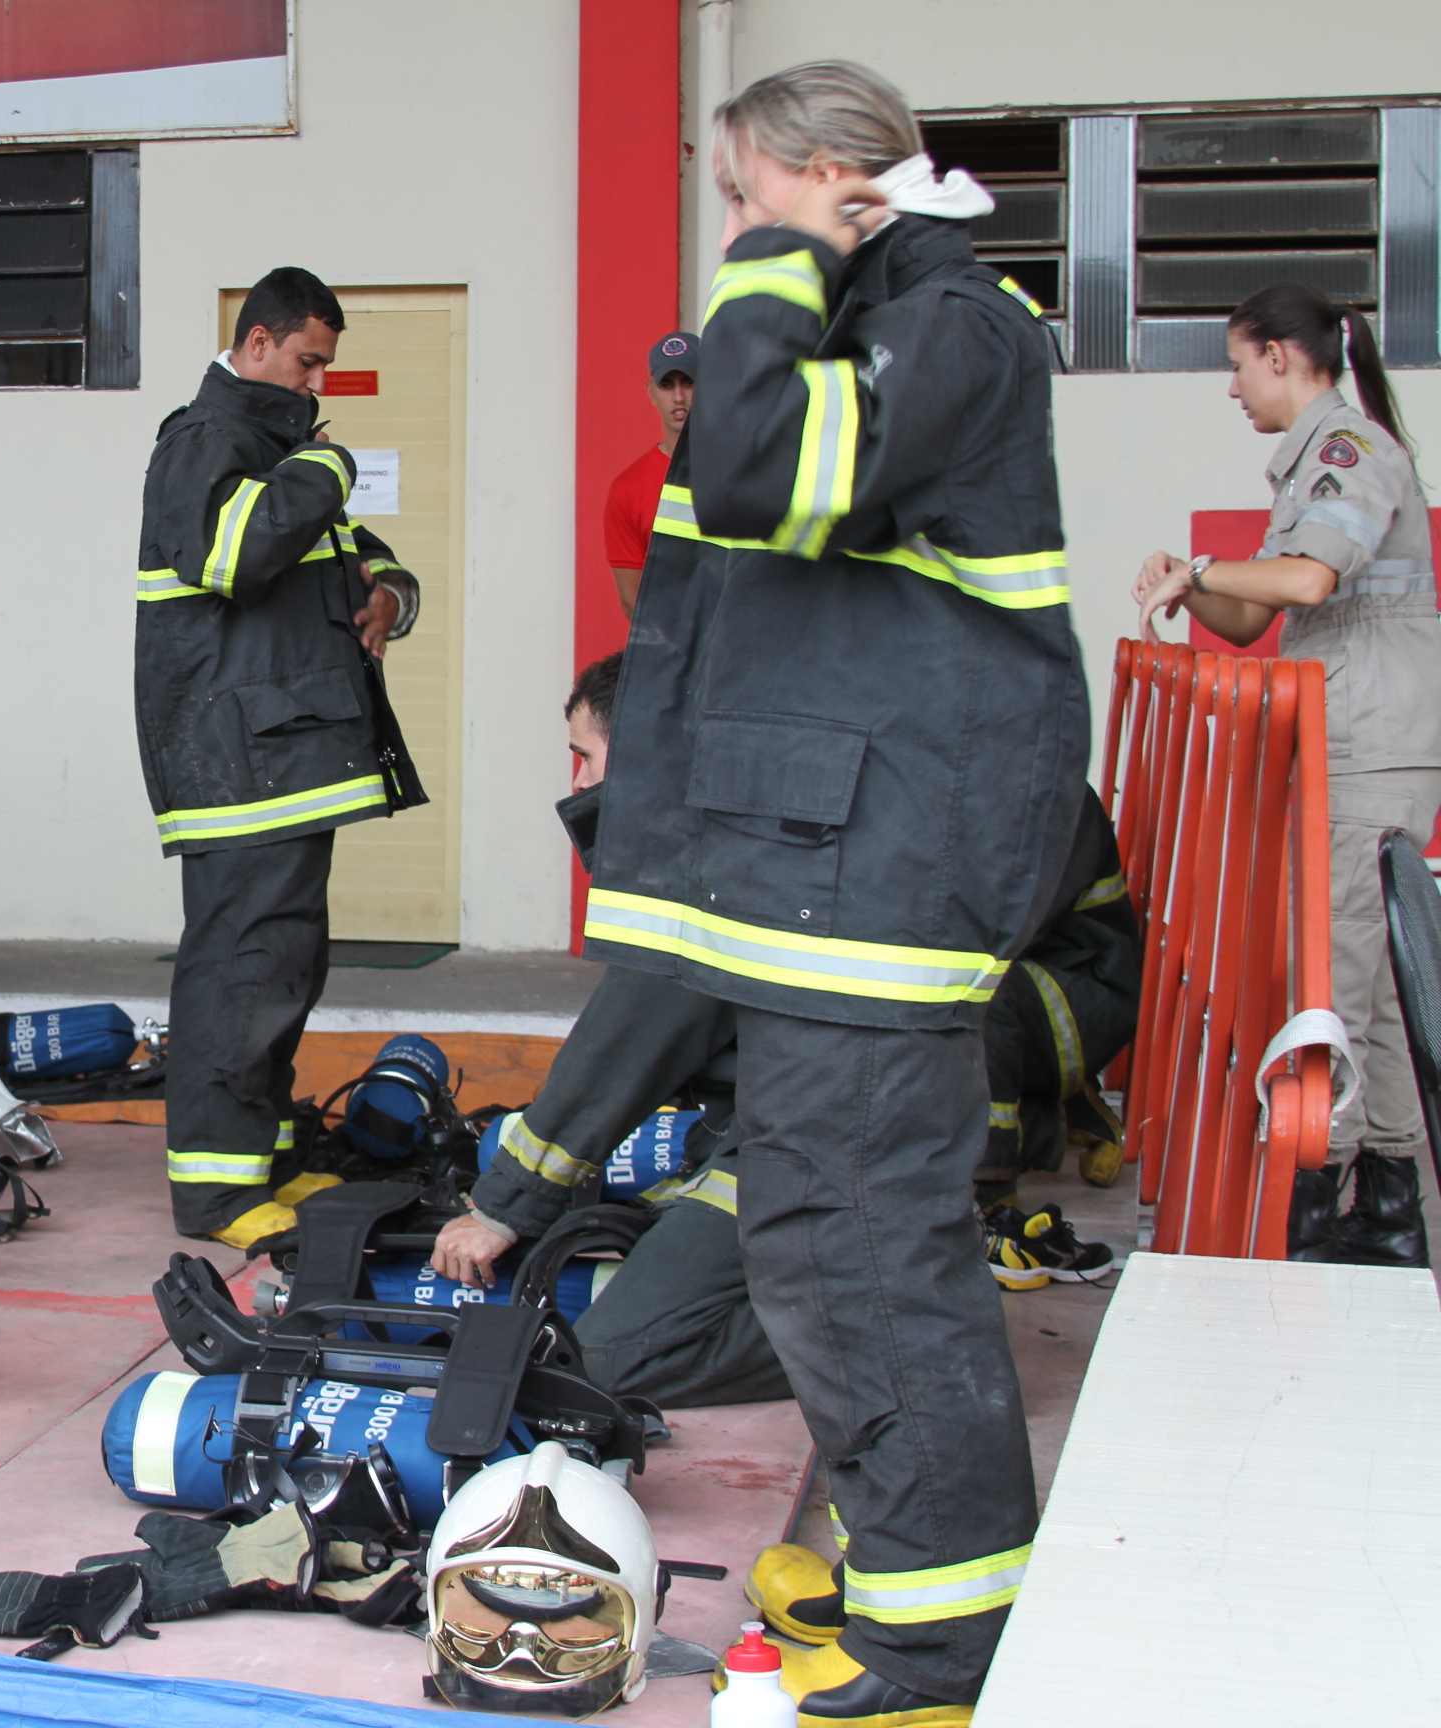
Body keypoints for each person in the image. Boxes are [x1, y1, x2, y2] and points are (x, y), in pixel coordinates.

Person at [584, 63, 1090, 1722]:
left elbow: (761, 475)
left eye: (739, 195)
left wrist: (767, 261)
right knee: (816, 1247)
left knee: (868, 1253)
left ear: (817, 176)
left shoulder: (952, 321)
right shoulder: (884, 316)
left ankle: (939, 1642)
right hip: (818, 871)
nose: (726, 233)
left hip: (881, 874)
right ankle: (907, 1569)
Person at [427, 654, 1130, 1403]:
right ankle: (904, 1285)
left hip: (827, 1134)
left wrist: (505, 1207)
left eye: (586, 756)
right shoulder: (764, 810)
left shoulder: (729, 859)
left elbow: (628, 1040)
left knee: (614, 1356)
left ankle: (911, 1323)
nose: (576, 783)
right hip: (814, 1119)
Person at [1135, 283, 1440, 1267]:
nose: (1230, 388)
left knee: (1339, 978)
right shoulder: (1312, 465)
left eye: (1235, 363)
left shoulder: (1350, 451)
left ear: (1281, 356)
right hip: (1358, 738)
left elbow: (1306, 581)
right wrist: (1194, 585)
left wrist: (1207, 570)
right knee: (1378, 985)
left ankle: (1317, 1197)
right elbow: (1254, 618)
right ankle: (1389, 1204)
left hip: (1369, 745)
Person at [135, 265, 428, 1249]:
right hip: (239, 772)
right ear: (255, 342)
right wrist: (330, 469)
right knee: (240, 977)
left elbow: (343, 552)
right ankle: (214, 1195)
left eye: (326, 366)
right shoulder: (205, 441)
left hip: (283, 768)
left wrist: (388, 589)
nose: (318, 383)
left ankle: (254, 1159)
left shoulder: (272, 445)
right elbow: (230, 556)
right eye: (309, 361)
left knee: (281, 971)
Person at [603, 332, 698, 618]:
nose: (678, 397)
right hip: (677, 656)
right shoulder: (628, 489)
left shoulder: (742, 470)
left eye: (689, 382)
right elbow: (633, 600)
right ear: (651, 392)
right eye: (667, 385)